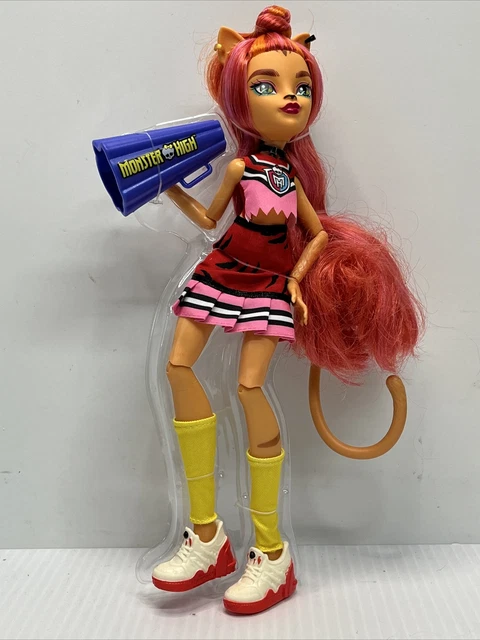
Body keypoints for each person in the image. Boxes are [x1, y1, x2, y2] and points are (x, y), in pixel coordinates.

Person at [151, 5, 424, 615]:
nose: (290, 97)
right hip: (223, 271)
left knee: (250, 388)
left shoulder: (290, 180)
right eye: (267, 85)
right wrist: (169, 188)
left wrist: (299, 280)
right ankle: (206, 535)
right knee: (178, 366)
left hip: (271, 285)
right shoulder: (240, 167)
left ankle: (271, 553)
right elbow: (210, 218)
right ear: (238, 98)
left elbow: (316, 234)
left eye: (301, 86)